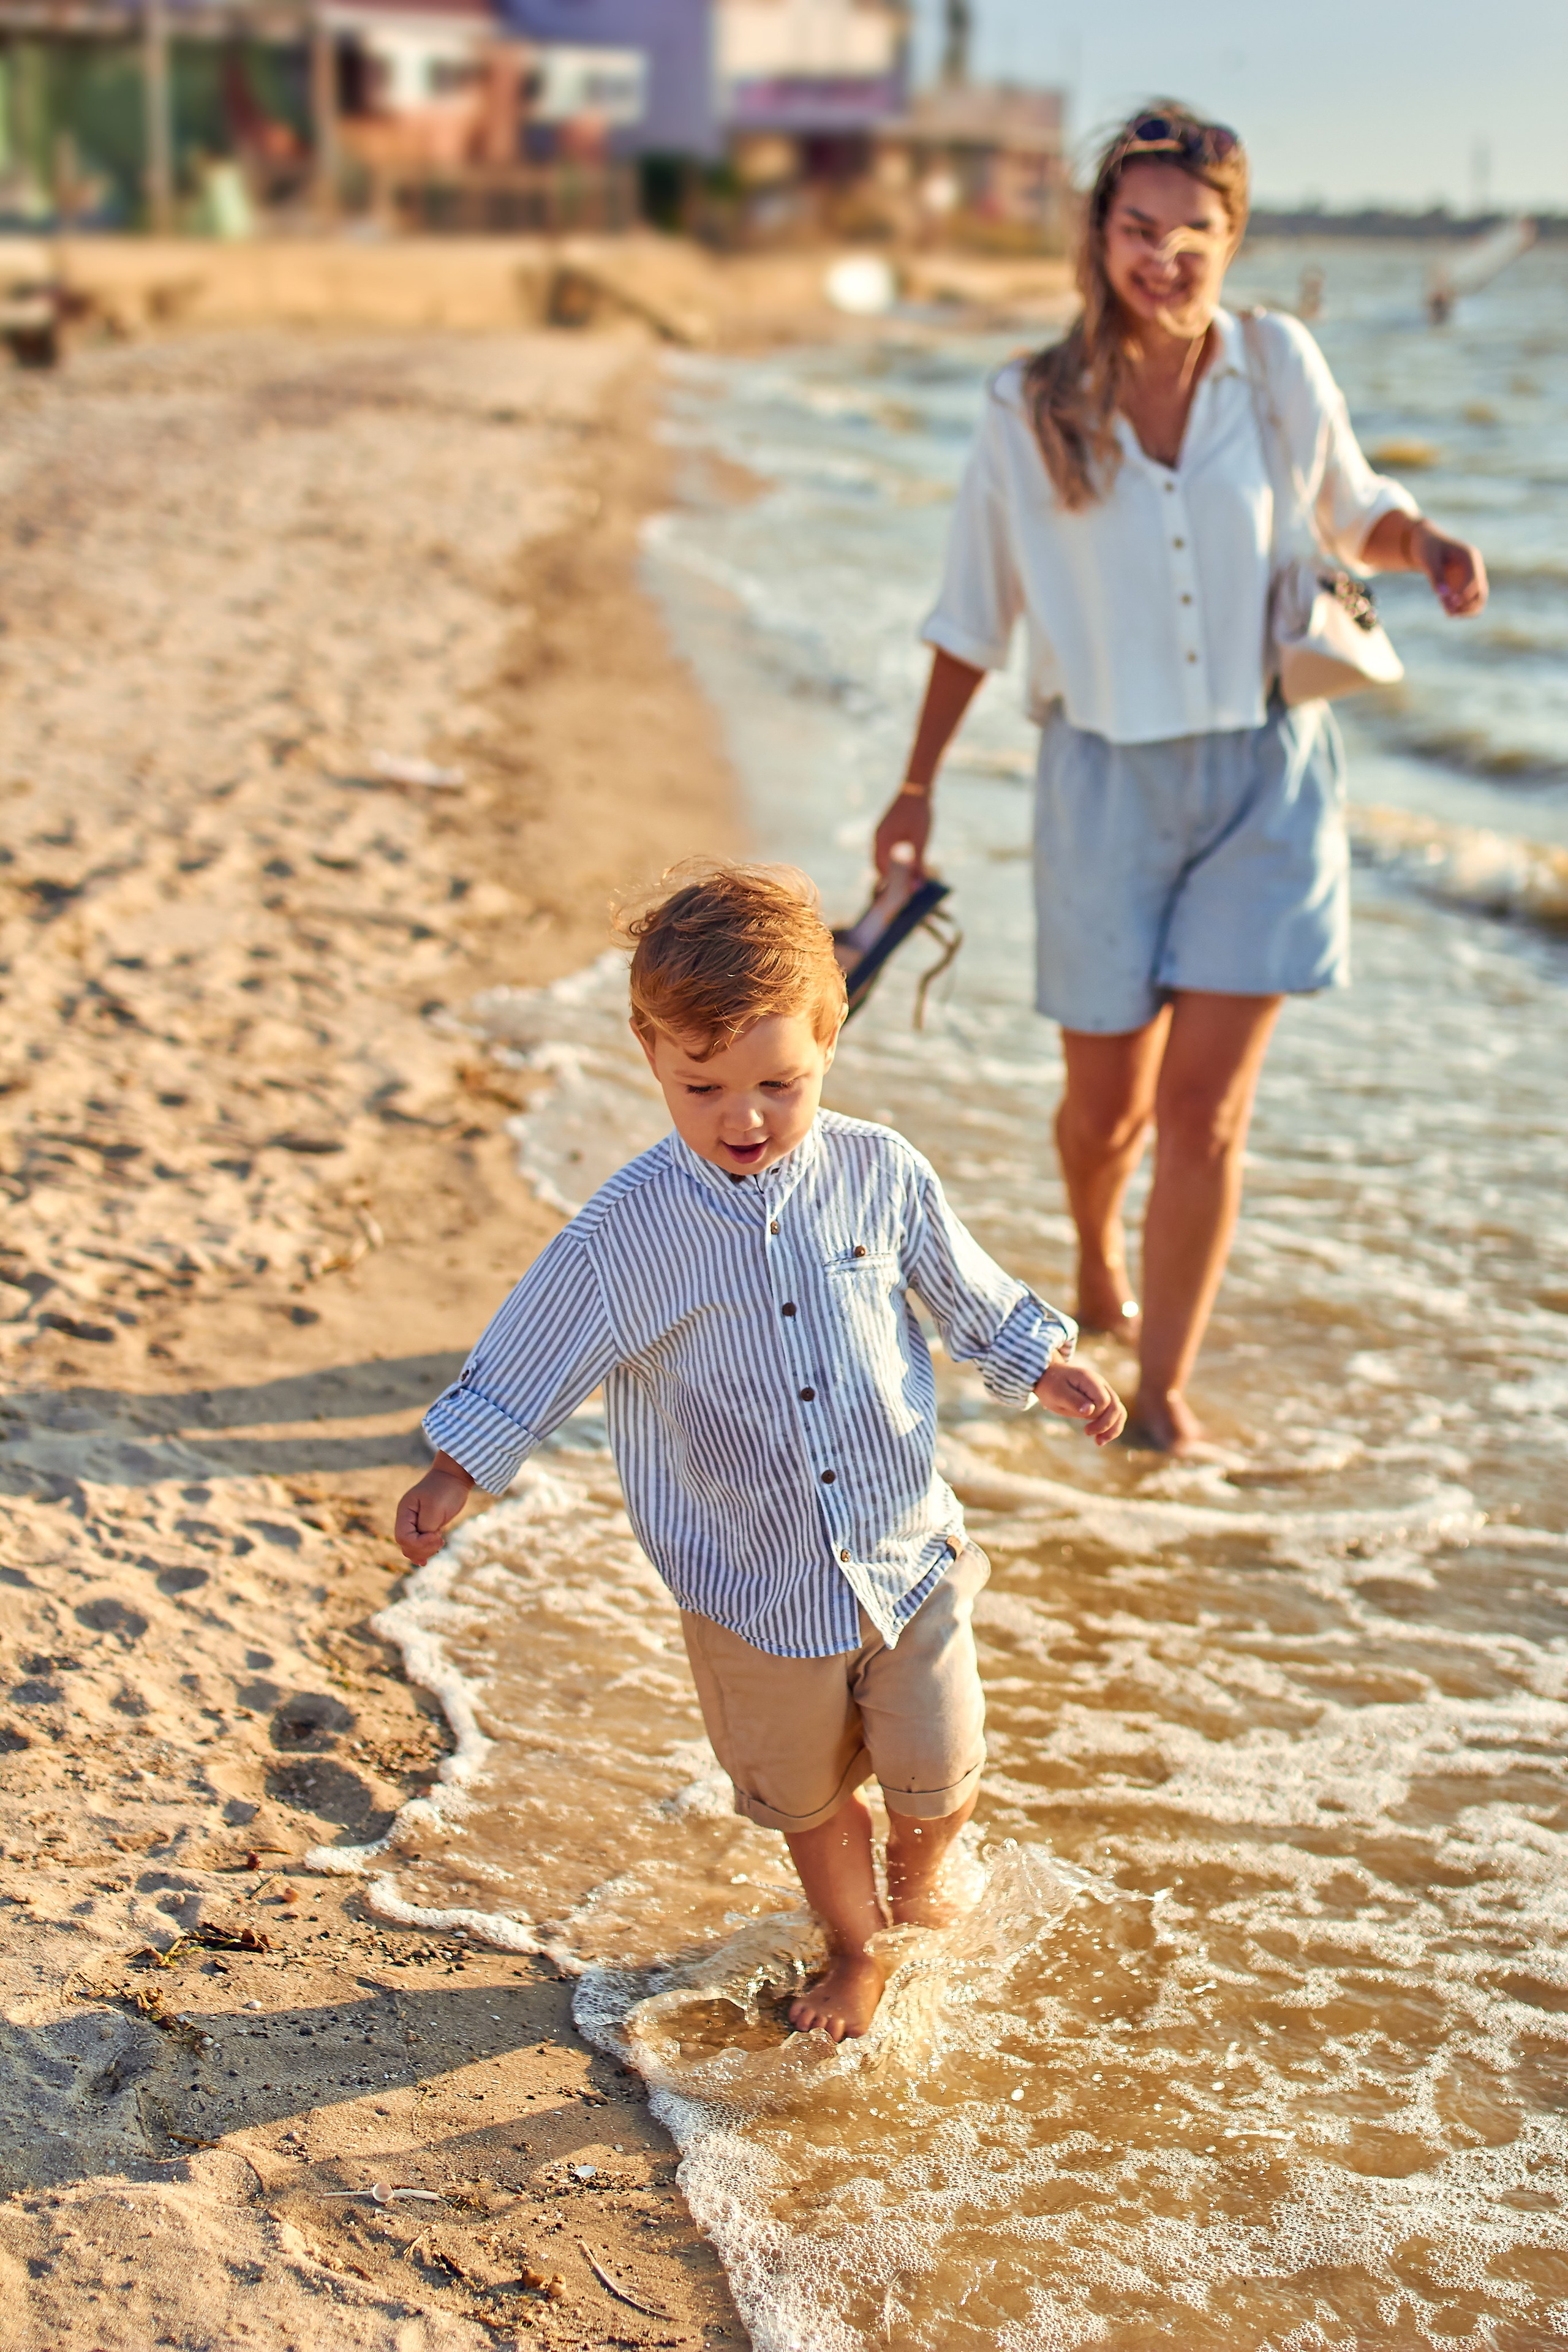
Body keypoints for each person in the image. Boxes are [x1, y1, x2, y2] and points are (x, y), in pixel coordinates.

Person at [393, 865, 1125, 2040]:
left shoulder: (880, 1172)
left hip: (906, 1552)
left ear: (831, 1040)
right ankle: (853, 1950)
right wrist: (456, 1469)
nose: (743, 1117)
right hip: (751, 1580)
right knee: (808, 1793)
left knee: (938, 1762)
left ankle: (922, 1879)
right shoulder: (628, 1234)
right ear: (651, 1057)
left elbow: (965, 1291)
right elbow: (535, 1354)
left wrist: (1044, 1363)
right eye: (705, 1086)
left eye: (779, 1084)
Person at [873, 104, 1488, 1455]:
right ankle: (1092, 1244)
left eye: (1188, 236)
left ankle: (1159, 1397)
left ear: (1231, 238)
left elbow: (1352, 505)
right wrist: (913, 789)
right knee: (1110, 1112)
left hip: (1266, 780)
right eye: (1135, 231)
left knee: (1205, 1111)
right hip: (1099, 785)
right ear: (1097, 237)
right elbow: (970, 614)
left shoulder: (1275, 365)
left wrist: (1424, 539)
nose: (1161, 260)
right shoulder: (1026, 404)